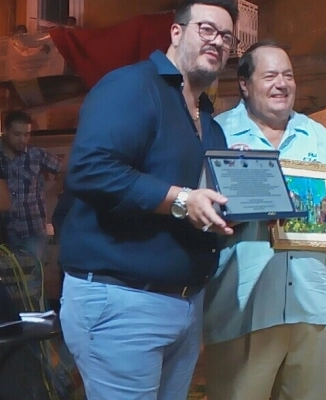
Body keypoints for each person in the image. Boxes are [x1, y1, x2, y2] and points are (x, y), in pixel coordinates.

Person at [57, 1, 238, 398]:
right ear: (176, 33)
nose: (218, 42)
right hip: (123, 301)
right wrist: (181, 200)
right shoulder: (132, 85)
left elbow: (198, 203)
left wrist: (228, 213)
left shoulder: (207, 119)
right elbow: (90, 169)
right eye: (207, 29)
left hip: (185, 305)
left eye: (226, 37)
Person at [203, 40, 326, 400]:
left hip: (310, 307)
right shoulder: (216, 134)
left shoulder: (323, 140)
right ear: (245, 84)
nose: (282, 83)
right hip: (243, 308)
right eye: (270, 75)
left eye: (288, 75)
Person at [0, 110, 61, 259]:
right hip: (5, 230)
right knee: (7, 279)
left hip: (33, 228)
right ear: (5, 131)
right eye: (17, 134)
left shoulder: (37, 154)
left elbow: (66, 170)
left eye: (26, 134)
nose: (22, 139)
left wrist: (53, 192)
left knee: (34, 278)